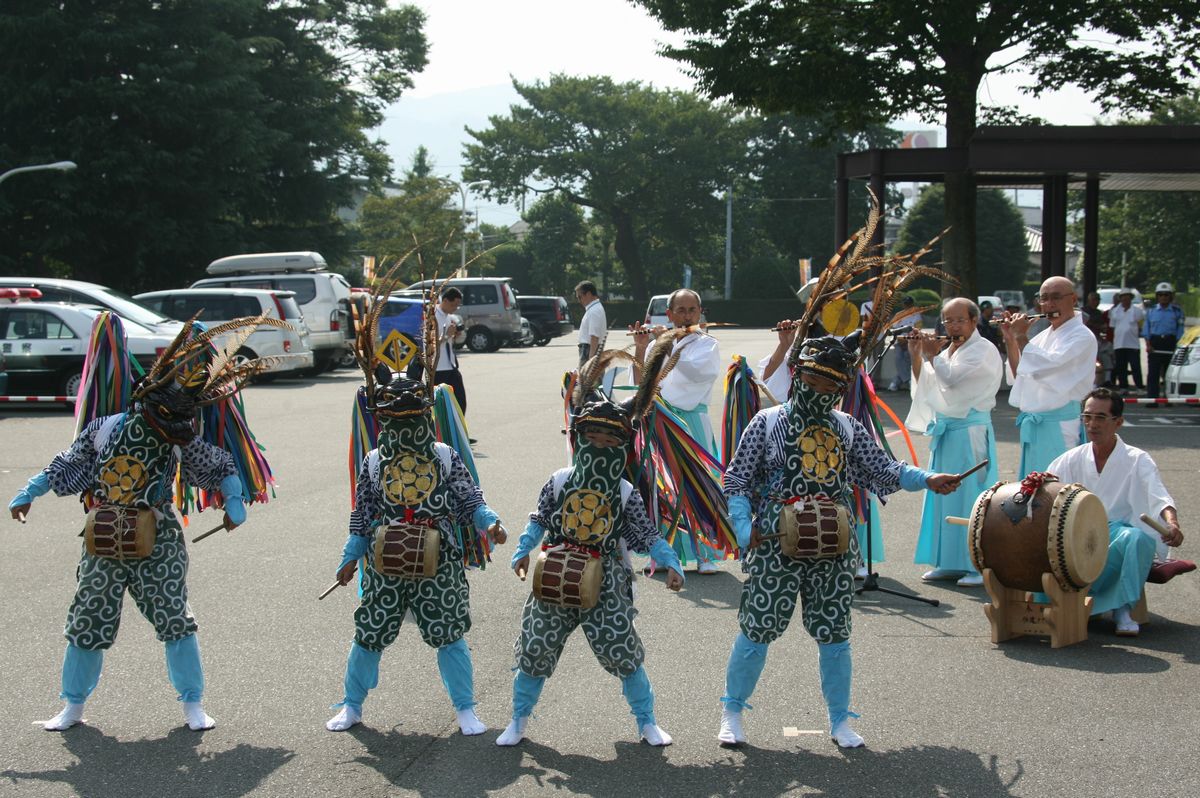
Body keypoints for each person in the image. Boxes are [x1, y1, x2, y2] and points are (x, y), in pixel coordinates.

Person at [7, 330, 256, 732]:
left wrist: (233, 501)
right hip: (104, 536)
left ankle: (192, 703)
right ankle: (72, 705)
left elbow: (219, 464)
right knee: (88, 617)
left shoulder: (179, 438)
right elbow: (69, 464)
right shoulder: (105, 429)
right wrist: (29, 491)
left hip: (158, 536)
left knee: (175, 617)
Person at [720, 336, 962, 748]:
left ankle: (839, 720)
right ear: (798, 376)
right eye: (814, 380)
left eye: (831, 385)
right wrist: (744, 528)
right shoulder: (767, 421)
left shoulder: (848, 426)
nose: (821, 391)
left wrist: (926, 478)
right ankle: (732, 711)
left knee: (835, 633)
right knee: (758, 628)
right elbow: (737, 479)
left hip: (834, 542)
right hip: (776, 540)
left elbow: (883, 467)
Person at [497, 398, 685, 747]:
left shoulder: (625, 491)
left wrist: (671, 563)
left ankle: (647, 722)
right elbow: (539, 518)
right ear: (579, 438)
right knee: (536, 646)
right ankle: (518, 720)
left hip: (607, 581)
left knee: (622, 650)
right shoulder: (559, 480)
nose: (600, 445)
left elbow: (646, 534)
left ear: (623, 446)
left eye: (609, 440)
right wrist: (522, 550)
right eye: (593, 436)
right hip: (554, 573)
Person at [326, 374, 505, 734]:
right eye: (395, 416)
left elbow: (469, 497)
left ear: (426, 415)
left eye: (412, 416)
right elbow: (362, 514)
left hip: (439, 559)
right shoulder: (374, 461)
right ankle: (352, 705)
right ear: (384, 419)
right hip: (385, 559)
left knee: (449, 632)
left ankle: (465, 709)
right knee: (369, 632)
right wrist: (350, 557)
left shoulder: (444, 455)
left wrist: (490, 522)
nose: (405, 422)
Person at [1046, 388, 1183, 636]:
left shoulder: (1137, 459)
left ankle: (1123, 608)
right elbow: (1048, 494)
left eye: (1100, 417)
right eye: (1087, 417)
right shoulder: (1070, 458)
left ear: (1118, 422)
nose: (1092, 424)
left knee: (1138, 539)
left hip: (1119, 539)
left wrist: (1172, 524)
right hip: (1078, 540)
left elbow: (1159, 496)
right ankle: (1091, 604)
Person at [906, 298, 1002, 587]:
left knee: (971, 493)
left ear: (974, 321)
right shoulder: (947, 350)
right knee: (942, 492)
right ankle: (946, 561)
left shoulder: (983, 350)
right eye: (947, 320)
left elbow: (953, 381)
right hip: (948, 432)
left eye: (959, 320)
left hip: (970, 432)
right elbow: (928, 385)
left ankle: (976, 564)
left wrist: (932, 356)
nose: (952, 325)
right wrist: (916, 355)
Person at [631, 288, 723, 573]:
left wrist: (666, 344)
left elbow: (698, 373)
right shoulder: (661, 343)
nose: (685, 316)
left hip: (692, 422)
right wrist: (642, 347)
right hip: (659, 418)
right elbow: (640, 383)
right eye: (679, 311)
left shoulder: (707, 344)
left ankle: (705, 553)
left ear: (700, 312)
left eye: (691, 310)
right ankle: (661, 552)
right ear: (669, 314)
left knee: (700, 484)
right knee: (660, 486)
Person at [1000, 276, 1097, 477]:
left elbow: (1047, 367)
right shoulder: (1044, 336)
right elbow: (1022, 372)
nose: (1049, 304)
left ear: (1073, 299)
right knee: (1032, 493)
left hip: (1059, 427)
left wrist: (1021, 337)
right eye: (1044, 298)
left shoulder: (1082, 335)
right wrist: (1011, 340)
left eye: (1056, 297)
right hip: (1036, 425)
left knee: (1056, 490)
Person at [406, 286, 468, 414]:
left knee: (460, 401)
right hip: (437, 367)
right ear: (445, 300)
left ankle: (458, 429)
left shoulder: (448, 316)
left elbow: (448, 339)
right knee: (441, 404)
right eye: (453, 304)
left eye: (458, 305)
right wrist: (447, 336)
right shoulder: (432, 316)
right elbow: (429, 342)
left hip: (450, 365)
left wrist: (453, 336)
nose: (455, 308)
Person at [1143, 282, 1185, 399]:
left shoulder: (1177, 312)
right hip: (1155, 342)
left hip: (1170, 342)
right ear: (1157, 296)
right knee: (1153, 374)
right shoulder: (1151, 311)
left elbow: (1180, 330)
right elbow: (1146, 330)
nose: (1163, 297)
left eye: (1166, 295)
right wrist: (1148, 344)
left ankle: (1169, 398)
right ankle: (1152, 399)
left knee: (1169, 374)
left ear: (1170, 296)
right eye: (1160, 295)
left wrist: (1177, 345)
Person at [1108, 289, 1144, 391]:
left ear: (1131, 299)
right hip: (1119, 343)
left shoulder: (1137, 311)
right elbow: (1113, 327)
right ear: (1120, 299)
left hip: (1133, 344)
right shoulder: (1114, 312)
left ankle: (1139, 387)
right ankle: (1123, 387)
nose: (1125, 299)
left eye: (1127, 297)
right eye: (1123, 297)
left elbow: (1141, 325)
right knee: (1121, 367)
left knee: (1135, 366)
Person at [886, 295, 921, 392]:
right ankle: (908, 380)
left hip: (911, 341)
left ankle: (897, 381)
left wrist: (907, 341)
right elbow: (894, 329)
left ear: (912, 304)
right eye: (905, 304)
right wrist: (901, 340)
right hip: (899, 341)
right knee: (898, 359)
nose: (907, 306)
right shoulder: (898, 315)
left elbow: (918, 329)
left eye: (909, 304)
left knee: (907, 360)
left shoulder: (917, 315)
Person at [1083, 291, 1114, 387]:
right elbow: (1085, 324)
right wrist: (1095, 325)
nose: (1096, 302)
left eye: (1097, 300)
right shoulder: (1082, 311)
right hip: (1084, 340)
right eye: (1094, 300)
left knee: (1107, 353)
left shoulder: (1098, 313)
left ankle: (1107, 380)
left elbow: (1103, 327)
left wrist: (1100, 327)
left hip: (1097, 339)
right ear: (1089, 300)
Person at [575, 280, 607, 366]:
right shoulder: (594, 309)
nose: (579, 300)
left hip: (589, 350)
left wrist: (591, 360)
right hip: (590, 350)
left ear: (588, 294)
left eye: (580, 297)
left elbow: (594, 336)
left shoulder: (594, 311)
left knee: (587, 379)